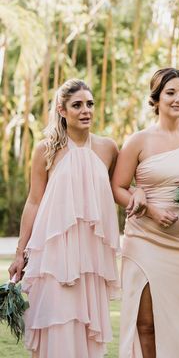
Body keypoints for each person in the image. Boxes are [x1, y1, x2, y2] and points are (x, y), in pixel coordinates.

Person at [8, 79, 119, 357]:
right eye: (77, 105)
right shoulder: (46, 149)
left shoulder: (108, 149)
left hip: (91, 256)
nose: (86, 111)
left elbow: (120, 190)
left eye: (90, 104)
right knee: (55, 320)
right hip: (55, 254)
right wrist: (21, 253)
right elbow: (34, 202)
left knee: (85, 325)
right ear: (62, 109)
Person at [112, 68, 179, 358]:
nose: (178, 99)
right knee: (146, 323)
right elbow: (118, 188)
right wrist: (150, 209)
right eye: (171, 93)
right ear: (156, 99)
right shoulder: (138, 141)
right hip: (145, 241)